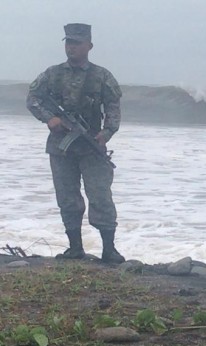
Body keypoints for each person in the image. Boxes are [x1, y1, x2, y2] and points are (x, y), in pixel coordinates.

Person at [26, 23, 125, 264]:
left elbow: (113, 108)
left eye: (77, 43)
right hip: (62, 147)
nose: (71, 47)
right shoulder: (52, 73)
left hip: (92, 145)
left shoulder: (102, 76)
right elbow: (33, 98)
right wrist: (50, 119)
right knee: (67, 198)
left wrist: (106, 133)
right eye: (68, 42)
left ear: (89, 46)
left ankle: (109, 250)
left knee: (100, 196)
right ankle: (75, 248)